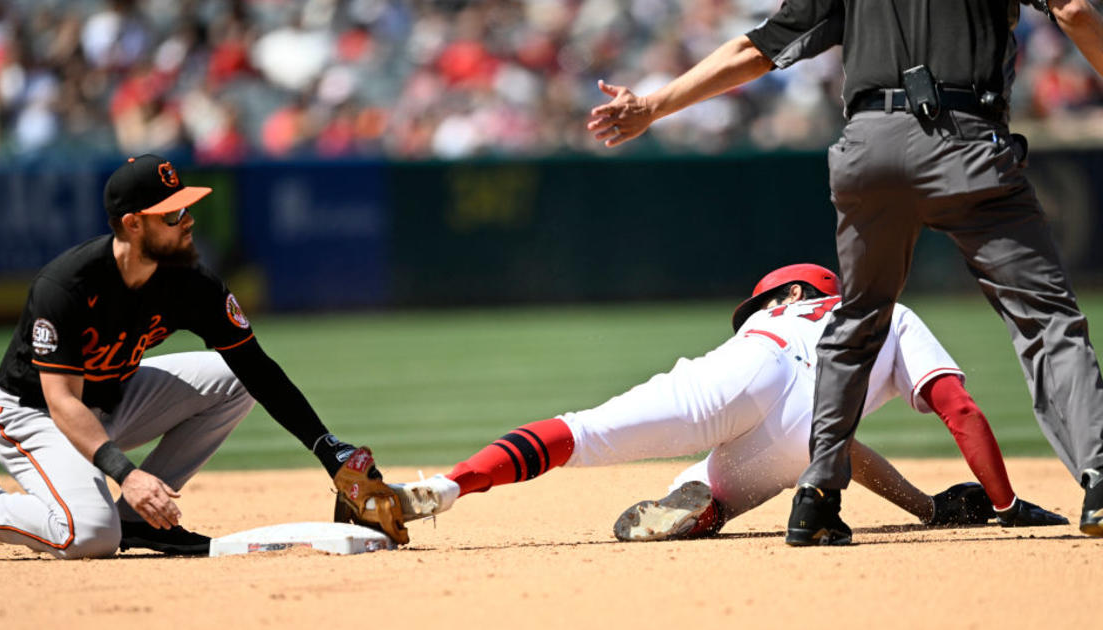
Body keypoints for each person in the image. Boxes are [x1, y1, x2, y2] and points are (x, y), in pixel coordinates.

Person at [586, 0, 1103, 544]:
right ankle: (1100, 478)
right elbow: (1072, 9)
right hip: (966, 138)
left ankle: (816, 499)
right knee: (1047, 322)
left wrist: (652, 105)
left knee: (857, 322)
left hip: (869, 146)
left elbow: (756, 49)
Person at [384, 264, 1065, 540]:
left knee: (580, 433)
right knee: (789, 457)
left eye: (761, 300)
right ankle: (702, 497)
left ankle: (445, 488)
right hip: (807, 433)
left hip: (741, 371)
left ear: (792, 295)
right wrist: (970, 506)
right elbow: (960, 411)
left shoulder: (775, 321)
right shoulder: (893, 315)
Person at [0, 154, 381, 561]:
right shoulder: (66, 287)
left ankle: (140, 523)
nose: (188, 220)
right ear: (133, 223)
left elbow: (256, 367)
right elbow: (61, 402)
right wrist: (128, 474)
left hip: (111, 400)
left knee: (236, 379)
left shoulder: (190, 282)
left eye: (186, 207)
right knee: (91, 535)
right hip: (33, 415)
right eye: (172, 212)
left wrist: (327, 448)